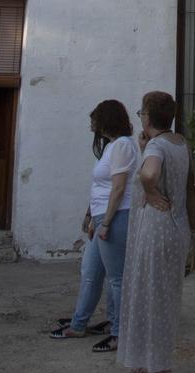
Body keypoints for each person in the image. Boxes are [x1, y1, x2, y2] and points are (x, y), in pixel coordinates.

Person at [118, 90, 193, 373]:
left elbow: (150, 173)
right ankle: (153, 363)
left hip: (158, 229)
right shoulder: (180, 143)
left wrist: (150, 191)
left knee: (154, 300)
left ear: (148, 117)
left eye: (141, 114)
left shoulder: (159, 146)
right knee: (158, 298)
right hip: (176, 227)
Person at [50, 100, 137, 349]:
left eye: (95, 120)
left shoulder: (121, 145)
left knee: (116, 278)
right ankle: (79, 324)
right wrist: (92, 217)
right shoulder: (112, 146)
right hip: (103, 218)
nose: (92, 126)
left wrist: (106, 222)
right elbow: (102, 186)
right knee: (90, 272)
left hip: (116, 217)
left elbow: (119, 187)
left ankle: (119, 333)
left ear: (106, 120)